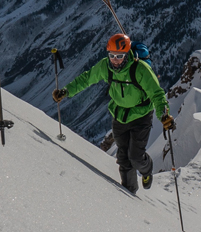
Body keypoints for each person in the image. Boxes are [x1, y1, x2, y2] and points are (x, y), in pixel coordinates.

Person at [54, 34, 174, 194]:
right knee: (124, 158)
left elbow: (157, 94)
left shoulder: (140, 69)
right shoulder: (106, 67)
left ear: (126, 54)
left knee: (136, 157)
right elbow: (87, 78)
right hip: (119, 116)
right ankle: (129, 193)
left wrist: (163, 115)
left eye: (119, 56)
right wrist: (66, 91)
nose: (115, 60)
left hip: (141, 116)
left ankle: (147, 169)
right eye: (112, 56)